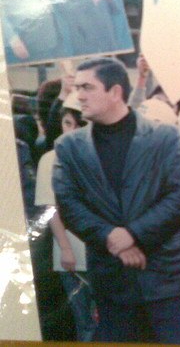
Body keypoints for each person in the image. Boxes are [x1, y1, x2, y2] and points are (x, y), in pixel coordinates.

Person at [52, 57, 180, 344]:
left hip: (163, 279)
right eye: (77, 88)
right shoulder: (68, 146)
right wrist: (111, 238)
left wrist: (133, 234)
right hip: (111, 282)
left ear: (115, 92)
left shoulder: (165, 137)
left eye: (87, 87)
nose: (79, 95)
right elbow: (68, 205)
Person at [35, 92, 96, 342]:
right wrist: (66, 248)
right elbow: (50, 208)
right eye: (67, 123)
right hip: (71, 255)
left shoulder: (103, 156)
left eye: (79, 124)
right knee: (85, 325)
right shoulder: (50, 159)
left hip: (105, 254)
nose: (71, 130)